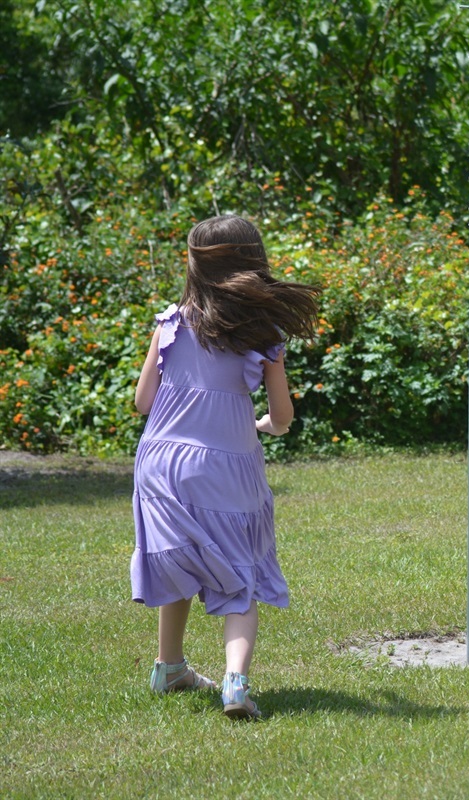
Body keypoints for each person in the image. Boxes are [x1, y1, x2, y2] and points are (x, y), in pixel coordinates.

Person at [130, 214, 320, 717]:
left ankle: (169, 666)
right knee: (239, 572)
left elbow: (142, 401)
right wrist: (263, 425)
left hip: (160, 462)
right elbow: (282, 417)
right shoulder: (262, 335)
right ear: (253, 263)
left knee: (183, 559)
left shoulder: (170, 322)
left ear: (193, 266)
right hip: (227, 469)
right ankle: (235, 684)